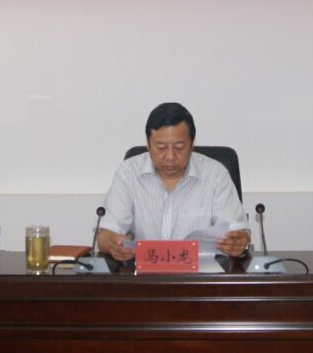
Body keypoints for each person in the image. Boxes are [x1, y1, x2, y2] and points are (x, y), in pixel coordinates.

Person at [97, 102, 250, 262]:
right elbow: (105, 235)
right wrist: (114, 244)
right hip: (143, 274)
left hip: (201, 274)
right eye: (161, 147)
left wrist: (238, 242)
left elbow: (237, 233)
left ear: (191, 144)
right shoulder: (128, 173)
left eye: (179, 147)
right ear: (148, 145)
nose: (170, 156)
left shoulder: (216, 175)